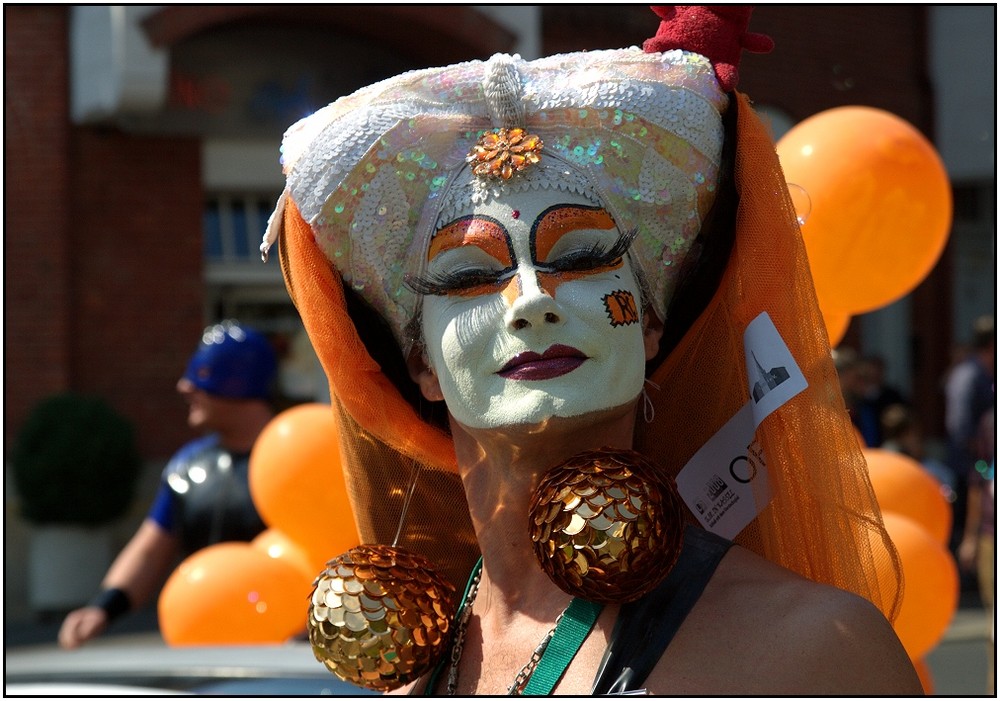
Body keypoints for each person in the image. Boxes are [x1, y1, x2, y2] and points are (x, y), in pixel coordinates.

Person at [263, 6, 920, 694]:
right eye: (468, 276)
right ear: (422, 363)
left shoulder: (809, 649)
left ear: (647, 324)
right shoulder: (419, 667)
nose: (532, 300)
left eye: (580, 257)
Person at [58, 320, 278, 650]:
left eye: (201, 375)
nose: (183, 387)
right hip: (200, 642)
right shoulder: (188, 465)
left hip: (284, 645)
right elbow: (149, 549)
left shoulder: (296, 457)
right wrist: (102, 608)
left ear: (238, 381)